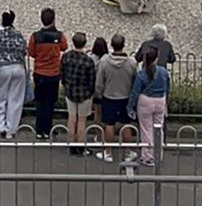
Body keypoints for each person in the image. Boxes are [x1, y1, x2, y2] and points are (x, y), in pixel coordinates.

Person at [94, 33, 134, 162]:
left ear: (111, 45)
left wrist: (98, 94)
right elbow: (134, 80)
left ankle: (108, 152)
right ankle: (127, 152)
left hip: (109, 96)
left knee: (109, 124)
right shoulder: (131, 63)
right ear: (123, 45)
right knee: (126, 124)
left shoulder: (104, 62)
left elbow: (99, 82)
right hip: (125, 96)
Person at [128, 46, 171, 167]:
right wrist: (166, 101)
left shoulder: (142, 74)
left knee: (146, 130)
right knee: (158, 128)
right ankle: (158, 154)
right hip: (160, 100)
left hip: (145, 101)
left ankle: (147, 157)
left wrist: (130, 106)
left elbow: (135, 92)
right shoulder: (163, 72)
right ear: (156, 58)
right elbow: (168, 88)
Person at [28, 8, 68, 137]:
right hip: (53, 73)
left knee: (40, 103)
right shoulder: (59, 36)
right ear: (53, 20)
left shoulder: (35, 36)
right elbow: (65, 47)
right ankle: (48, 128)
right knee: (50, 103)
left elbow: (32, 53)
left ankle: (40, 130)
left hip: (40, 72)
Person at [0, 11, 27, 136]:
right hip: (18, 66)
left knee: (0, 96)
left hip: (2, 67)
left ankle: (0, 126)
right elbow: (24, 50)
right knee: (15, 98)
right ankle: (11, 129)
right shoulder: (18, 34)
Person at [62, 32, 98, 155]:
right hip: (84, 94)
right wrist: (90, 92)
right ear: (85, 43)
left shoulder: (66, 57)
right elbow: (92, 80)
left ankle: (71, 146)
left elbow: (63, 73)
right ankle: (81, 147)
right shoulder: (88, 61)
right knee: (82, 120)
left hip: (70, 91)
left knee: (72, 119)